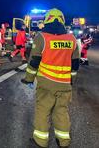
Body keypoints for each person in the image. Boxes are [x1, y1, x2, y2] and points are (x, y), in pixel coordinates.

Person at [21, 8, 80, 148]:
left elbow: (33, 62)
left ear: (47, 20)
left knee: (43, 111)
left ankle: (41, 141)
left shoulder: (41, 37)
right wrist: (71, 82)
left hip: (46, 84)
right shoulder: (71, 39)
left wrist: (29, 79)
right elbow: (75, 66)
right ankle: (64, 141)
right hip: (65, 85)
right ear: (62, 20)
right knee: (61, 112)